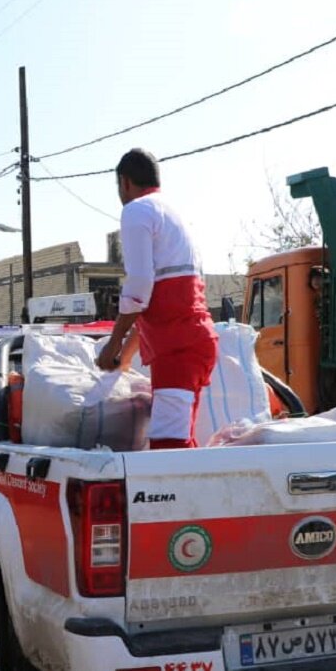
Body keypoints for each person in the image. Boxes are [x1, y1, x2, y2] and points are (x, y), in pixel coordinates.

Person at [97, 148, 218, 449]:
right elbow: (156, 303)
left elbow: (139, 287)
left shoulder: (136, 210)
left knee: (168, 448)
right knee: (179, 444)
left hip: (177, 350)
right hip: (193, 343)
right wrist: (124, 357)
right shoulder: (173, 215)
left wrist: (112, 345)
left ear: (124, 182)